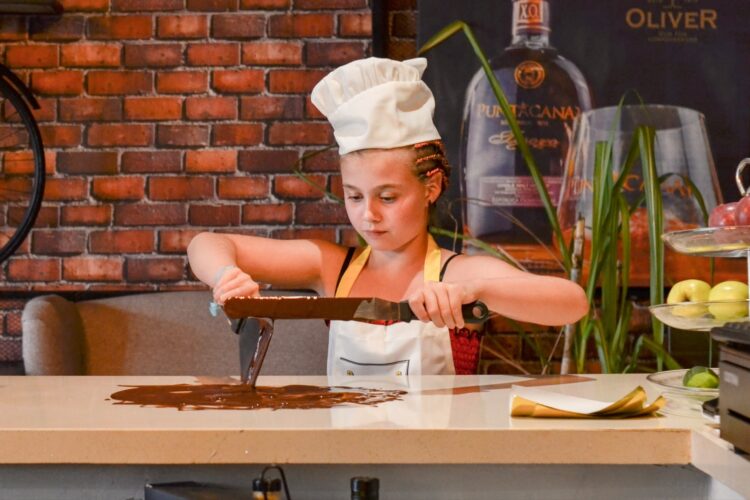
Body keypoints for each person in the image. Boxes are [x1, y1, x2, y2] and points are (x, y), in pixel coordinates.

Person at [188, 57, 588, 376]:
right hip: (346, 458)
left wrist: (474, 292)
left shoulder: (457, 275)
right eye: (354, 196)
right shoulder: (331, 268)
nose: (369, 215)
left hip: (438, 463)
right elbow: (205, 243)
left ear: (430, 188)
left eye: (388, 197)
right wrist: (225, 275)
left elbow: (572, 303)